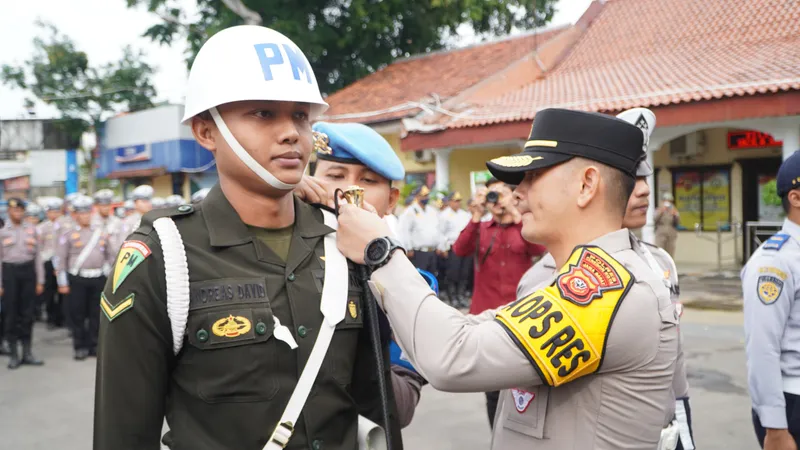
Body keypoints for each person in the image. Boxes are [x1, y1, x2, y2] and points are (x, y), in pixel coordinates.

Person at [94, 25, 403, 450]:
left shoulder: (343, 241)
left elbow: (378, 400)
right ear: (206, 132)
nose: (292, 132)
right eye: (263, 113)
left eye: (300, 116)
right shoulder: (164, 255)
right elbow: (123, 432)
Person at [335, 108, 679, 450]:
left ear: (587, 185)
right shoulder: (561, 278)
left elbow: (453, 357)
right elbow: (467, 331)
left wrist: (380, 251)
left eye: (534, 176)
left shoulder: (607, 289)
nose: (517, 193)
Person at [515, 107, 694, 450]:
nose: (642, 191)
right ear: (594, 184)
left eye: (645, 179)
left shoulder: (659, 262)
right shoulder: (544, 275)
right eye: (631, 178)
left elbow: (676, 371)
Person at [308, 120, 427, 428]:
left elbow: (398, 409)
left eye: (368, 181)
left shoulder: (413, 286)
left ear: (391, 200)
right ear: (309, 182)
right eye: (334, 176)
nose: (349, 192)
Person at [450, 177, 546, 428]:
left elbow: (538, 250)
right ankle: (497, 437)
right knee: (492, 388)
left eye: (500, 194)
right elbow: (460, 250)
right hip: (488, 316)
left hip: (522, 315)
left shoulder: (522, 226)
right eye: (491, 195)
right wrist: (475, 215)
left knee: (524, 385)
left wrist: (515, 213)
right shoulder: (481, 228)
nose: (496, 201)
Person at [742, 149, 800, 450]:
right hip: (793, 404)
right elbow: (762, 348)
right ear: (796, 198)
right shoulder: (774, 262)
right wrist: (775, 427)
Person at [56, 195, 114, 360]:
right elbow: (61, 259)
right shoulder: (68, 233)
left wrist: (110, 277)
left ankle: (94, 345)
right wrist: (62, 282)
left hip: (98, 278)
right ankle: (79, 345)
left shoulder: (100, 233)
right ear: (76, 215)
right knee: (78, 314)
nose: (85, 216)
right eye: (82, 213)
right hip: (78, 278)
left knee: (96, 314)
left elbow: (110, 256)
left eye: (88, 213)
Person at [0, 198, 45, 369]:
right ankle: (13, 354)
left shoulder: (32, 230)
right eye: (14, 210)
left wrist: (40, 280)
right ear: (9, 212)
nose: (17, 213)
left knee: (27, 314)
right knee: (11, 314)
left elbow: (38, 257)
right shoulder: (2, 230)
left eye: (20, 210)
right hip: (9, 273)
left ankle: (27, 352)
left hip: (28, 272)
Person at [397, 185, 442, 273]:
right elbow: (405, 230)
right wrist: (409, 248)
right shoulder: (410, 211)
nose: (426, 198)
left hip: (432, 251)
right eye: (424, 195)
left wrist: (440, 245)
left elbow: (437, 229)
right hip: (418, 252)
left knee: (433, 277)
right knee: (420, 278)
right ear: (417, 196)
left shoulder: (432, 211)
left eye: (427, 195)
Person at [438, 192, 472, 307]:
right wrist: (443, 248)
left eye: (459, 201)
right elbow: (441, 233)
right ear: (450, 202)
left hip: (465, 247)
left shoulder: (465, 214)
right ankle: (452, 297)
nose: (457, 203)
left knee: (464, 273)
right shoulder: (444, 215)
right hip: (452, 246)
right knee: (453, 273)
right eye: (455, 201)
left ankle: (461, 295)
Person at [37, 198, 65, 330]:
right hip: (48, 262)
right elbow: (39, 247)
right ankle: (50, 318)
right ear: (47, 213)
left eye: (56, 211)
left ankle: (62, 318)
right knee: (49, 291)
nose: (54, 214)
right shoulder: (42, 227)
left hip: (62, 262)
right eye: (51, 212)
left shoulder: (66, 225)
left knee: (63, 291)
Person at [655, 192, 680, 257]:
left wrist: (675, 215)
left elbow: (677, 223)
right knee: (660, 252)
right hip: (661, 233)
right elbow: (654, 219)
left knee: (670, 253)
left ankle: (669, 267)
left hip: (671, 234)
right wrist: (661, 211)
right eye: (666, 200)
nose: (668, 202)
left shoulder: (674, 209)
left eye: (669, 201)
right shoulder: (659, 209)